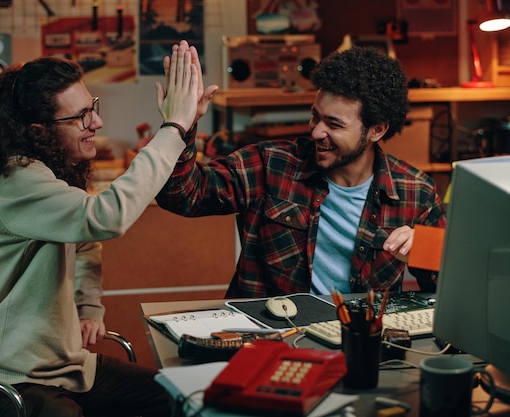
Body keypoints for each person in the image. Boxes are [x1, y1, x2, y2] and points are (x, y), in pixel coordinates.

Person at [0, 42, 206, 417]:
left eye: (93, 107)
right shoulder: (14, 179)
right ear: (38, 131)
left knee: (180, 400)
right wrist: (172, 129)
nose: (97, 123)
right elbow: (105, 218)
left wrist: (88, 306)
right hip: (11, 383)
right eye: (80, 117)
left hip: (66, 369)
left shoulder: (49, 171)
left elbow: (85, 242)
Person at [156, 46, 447, 298]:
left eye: (334, 124)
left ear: (377, 129)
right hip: (270, 339)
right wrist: (180, 127)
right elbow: (183, 196)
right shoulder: (270, 163)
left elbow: (448, 287)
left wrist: (426, 251)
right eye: (315, 116)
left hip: (359, 343)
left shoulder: (415, 192)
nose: (317, 131)